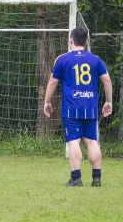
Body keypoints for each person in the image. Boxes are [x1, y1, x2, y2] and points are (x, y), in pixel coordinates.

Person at [43, 26, 112, 187]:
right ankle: (96, 179)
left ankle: (76, 178)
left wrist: (47, 101)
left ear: (71, 41)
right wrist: (108, 101)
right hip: (90, 107)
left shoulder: (62, 59)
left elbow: (53, 82)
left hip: (71, 108)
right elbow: (107, 80)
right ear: (86, 41)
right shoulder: (95, 59)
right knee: (92, 141)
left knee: (73, 141)